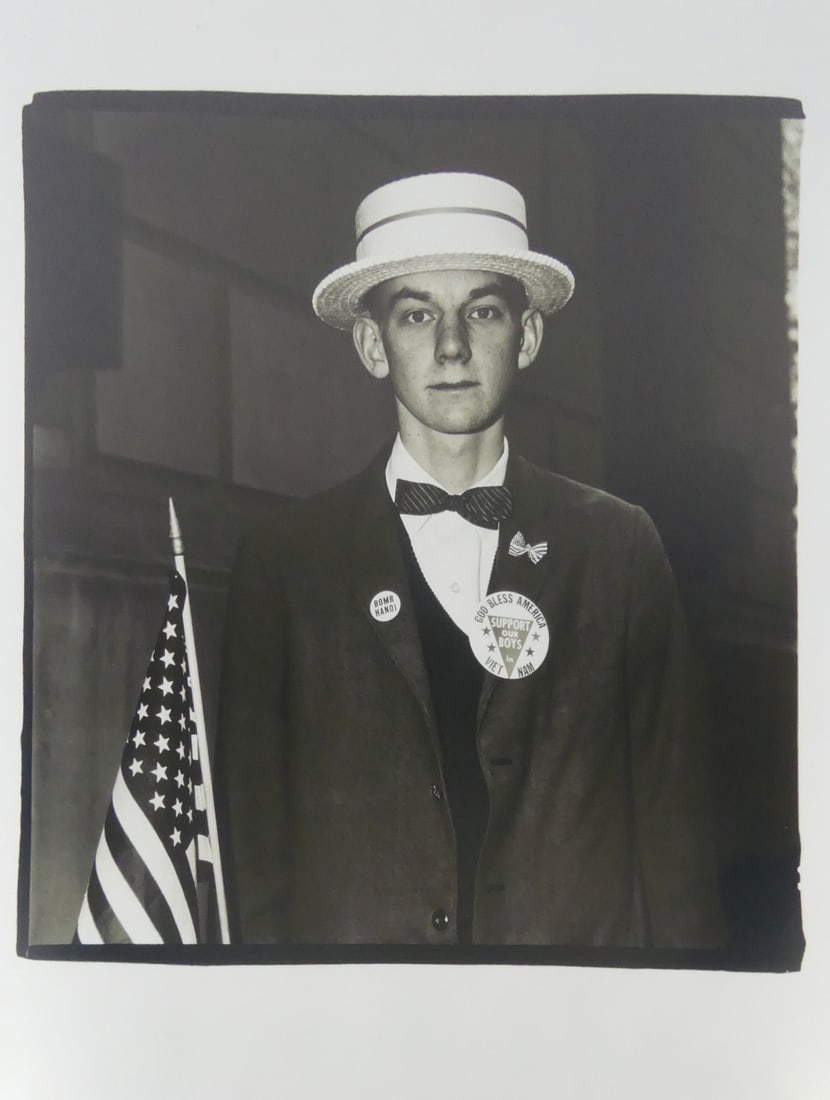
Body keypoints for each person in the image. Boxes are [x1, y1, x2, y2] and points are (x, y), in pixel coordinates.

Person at [216, 171, 726, 949]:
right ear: (371, 344)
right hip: (368, 1031)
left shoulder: (618, 548)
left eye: (481, 311)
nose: (451, 346)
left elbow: (676, 842)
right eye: (416, 314)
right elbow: (254, 862)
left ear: (525, 336)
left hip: (566, 1034)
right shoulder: (286, 564)